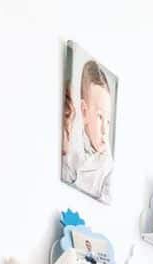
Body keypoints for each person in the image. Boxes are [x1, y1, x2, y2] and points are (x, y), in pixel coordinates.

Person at [61, 58, 114, 203]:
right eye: (100, 117)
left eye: (108, 121)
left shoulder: (108, 165)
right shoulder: (69, 134)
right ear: (84, 112)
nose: (105, 129)